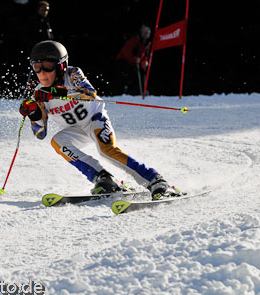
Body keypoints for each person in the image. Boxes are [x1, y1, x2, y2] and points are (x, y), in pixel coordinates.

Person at [19, 40, 174, 200]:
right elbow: (40, 133)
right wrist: (34, 114)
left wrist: (55, 92)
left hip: (95, 119)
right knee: (57, 141)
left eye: (47, 66)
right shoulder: (38, 95)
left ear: (60, 66)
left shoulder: (72, 74)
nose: (42, 73)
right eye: (37, 67)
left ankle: (154, 179)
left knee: (106, 150)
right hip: (76, 130)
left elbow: (89, 93)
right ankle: (103, 178)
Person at [115, 25, 152, 95]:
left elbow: (144, 55)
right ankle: (123, 93)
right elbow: (126, 52)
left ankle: (138, 92)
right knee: (126, 76)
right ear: (141, 32)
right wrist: (134, 59)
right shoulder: (134, 40)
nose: (147, 34)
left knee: (138, 75)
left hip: (133, 63)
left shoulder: (146, 43)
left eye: (148, 33)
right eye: (145, 32)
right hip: (123, 61)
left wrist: (144, 62)